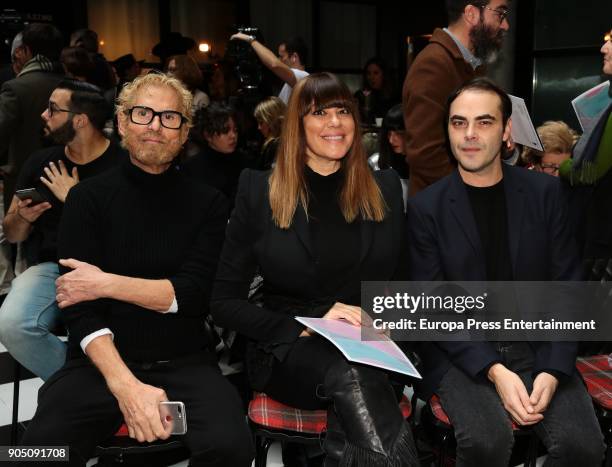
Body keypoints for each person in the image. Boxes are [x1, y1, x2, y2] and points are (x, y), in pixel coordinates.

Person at [20, 73, 253, 467]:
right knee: (32, 453)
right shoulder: (86, 199)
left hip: (185, 360)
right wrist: (127, 387)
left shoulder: (210, 203)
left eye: (169, 117)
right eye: (143, 113)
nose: (155, 127)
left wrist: (105, 283)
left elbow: (192, 295)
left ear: (184, 132)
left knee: (233, 447)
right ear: (123, 121)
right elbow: (78, 307)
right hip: (100, 360)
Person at [211, 72, 418, 466]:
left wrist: (388, 321)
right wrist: (309, 321)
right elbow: (223, 302)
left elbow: (402, 282)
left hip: (370, 344)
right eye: (320, 112)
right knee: (354, 375)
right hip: (291, 348)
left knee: (358, 373)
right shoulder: (260, 190)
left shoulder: (385, 188)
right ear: (297, 124)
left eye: (343, 111)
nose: (335, 122)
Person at [406, 77, 605, 466]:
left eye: (484, 122)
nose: (470, 135)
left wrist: (552, 368)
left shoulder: (545, 195)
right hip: (461, 350)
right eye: (458, 123)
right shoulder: (427, 207)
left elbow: (568, 288)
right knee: (487, 443)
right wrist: (495, 370)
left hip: (538, 343)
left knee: (585, 447)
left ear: (507, 130)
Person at [0, 80, 123, 380]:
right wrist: (22, 218)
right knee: (12, 324)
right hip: (52, 268)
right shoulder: (41, 162)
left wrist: (76, 200)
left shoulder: (122, 166)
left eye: (53, 109)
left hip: (113, 269)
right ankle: (81, 385)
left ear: (79, 120)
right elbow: (13, 235)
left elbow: (132, 235)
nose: (44, 114)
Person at [402, 0, 510, 196]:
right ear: (471, 14)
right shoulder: (434, 65)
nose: (505, 25)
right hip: (443, 210)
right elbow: (426, 154)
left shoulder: (471, 65)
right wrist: (477, 189)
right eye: (500, 14)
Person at [0, 23, 64, 208]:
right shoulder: (72, 84)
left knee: (22, 230)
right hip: (67, 174)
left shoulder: (16, 87)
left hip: (25, 179)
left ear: (26, 50)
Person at [184, 102, 244, 208]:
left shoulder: (244, 163)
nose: (233, 136)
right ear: (208, 135)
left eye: (235, 130)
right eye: (225, 131)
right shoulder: (192, 168)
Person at [230, 33, 309, 104]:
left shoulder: (303, 77)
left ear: (294, 57)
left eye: (281, 57)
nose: (279, 60)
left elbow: (274, 64)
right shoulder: (290, 81)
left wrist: (250, 39)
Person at [368, 104, 410, 209]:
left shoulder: (423, 167)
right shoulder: (375, 163)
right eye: (389, 133)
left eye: (398, 133)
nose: (391, 140)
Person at [354, 57, 395, 125]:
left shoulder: (393, 96)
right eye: (368, 73)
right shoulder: (360, 95)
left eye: (376, 73)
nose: (371, 77)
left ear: (384, 75)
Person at [253, 96, 286, 169]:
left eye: (261, 123)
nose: (259, 127)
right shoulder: (289, 141)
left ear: (272, 121)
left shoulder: (274, 146)